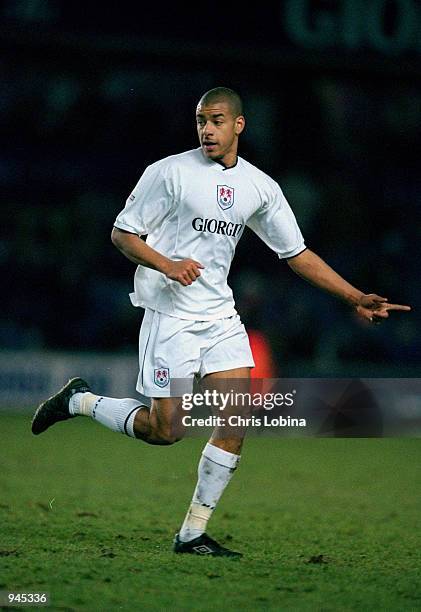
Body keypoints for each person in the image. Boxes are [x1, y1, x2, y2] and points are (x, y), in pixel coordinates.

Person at [31, 87, 411, 557]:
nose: (206, 129)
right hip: (169, 315)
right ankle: (81, 401)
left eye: (215, 120)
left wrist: (355, 296)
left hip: (220, 318)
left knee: (234, 419)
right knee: (166, 431)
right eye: (199, 120)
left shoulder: (260, 186)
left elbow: (296, 254)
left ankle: (192, 533)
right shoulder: (169, 172)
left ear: (238, 125)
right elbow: (122, 234)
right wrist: (168, 265)